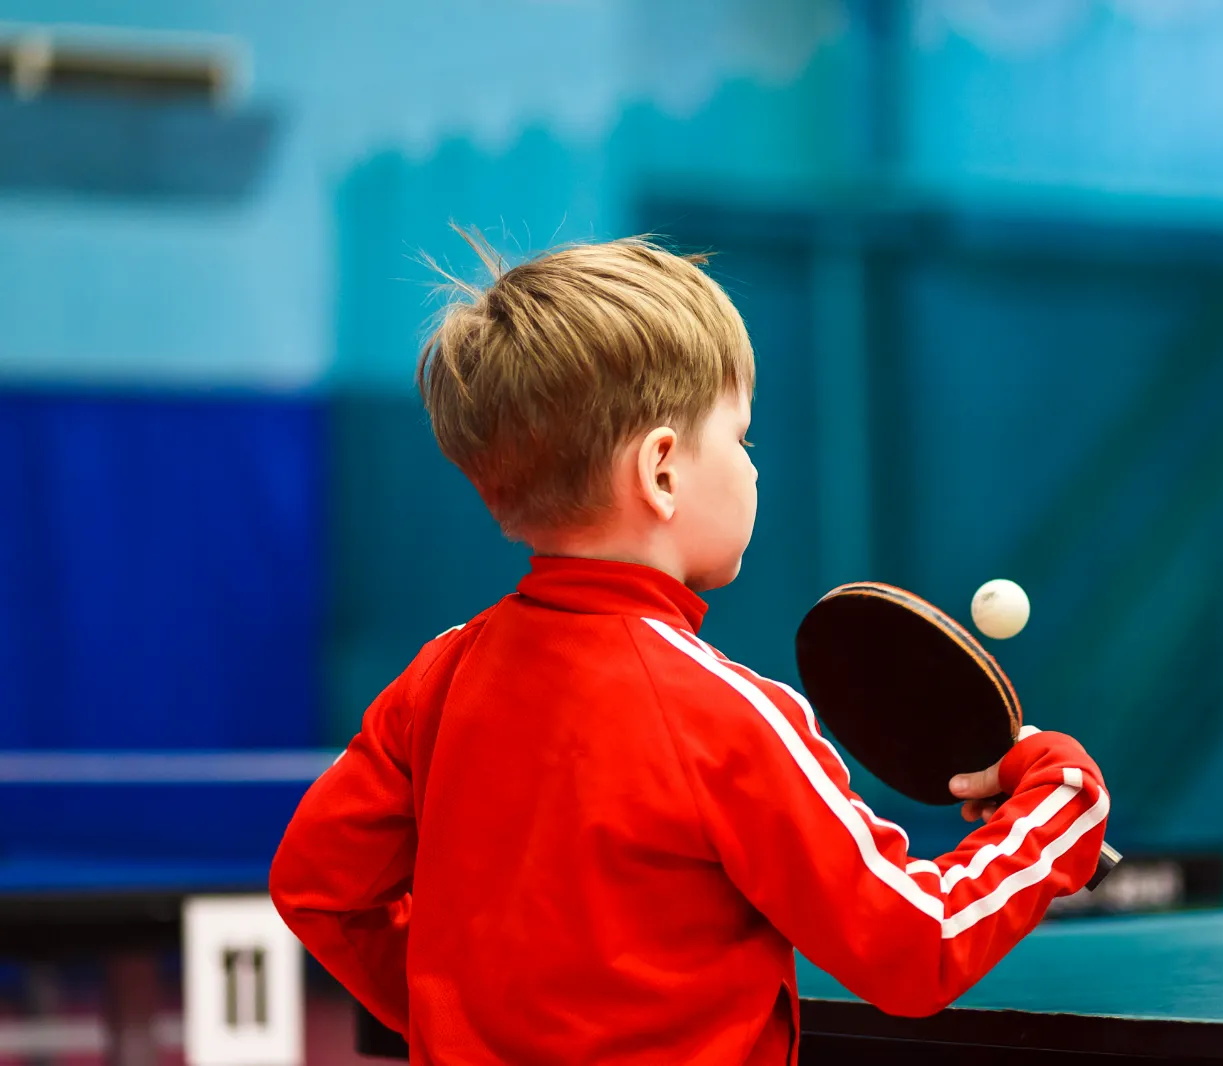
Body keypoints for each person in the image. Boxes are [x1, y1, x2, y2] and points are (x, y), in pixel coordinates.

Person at [269, 233, 1110, 1065]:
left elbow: (319, 888)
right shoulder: (732, 718)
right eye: (740, 437)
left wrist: (449, 1025)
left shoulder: (442, 675)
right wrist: (1059, 803)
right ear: (662, 471)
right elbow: (917, 945)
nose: (752, 469)